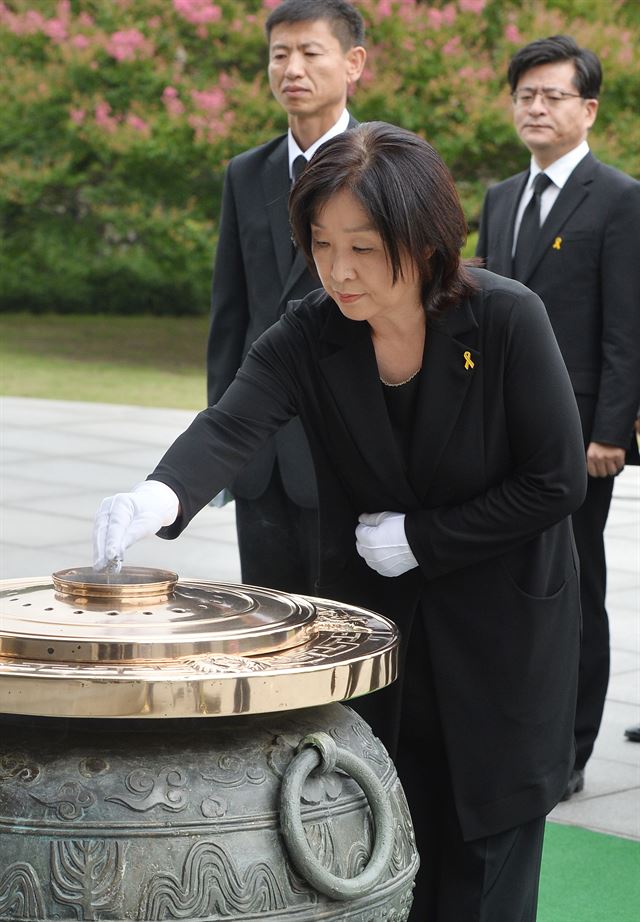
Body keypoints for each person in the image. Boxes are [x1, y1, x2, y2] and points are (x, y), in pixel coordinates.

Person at [94, 123, 586, 921]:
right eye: (321, 244)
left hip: (503, 637)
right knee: (386, 837)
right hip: (387, 637)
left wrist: (421, 539)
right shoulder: (313, 329)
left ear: (423, 240)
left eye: (363, 246)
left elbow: (556, 481)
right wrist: (157, 497)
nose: (338, 269)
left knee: (486, 863)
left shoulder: (505, 320)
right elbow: (232, 423)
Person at [476, 35, 640, 798]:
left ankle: (570, 750)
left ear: (589, 109)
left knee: (574, 584)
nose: (535, 108)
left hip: (581, 437)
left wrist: (611, 429)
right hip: (497, 426)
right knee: (510, 581)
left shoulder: (619, 198)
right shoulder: (502, 197)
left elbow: (625, 328)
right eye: (525, 96)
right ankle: (512, 730)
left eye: (552, 96)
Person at [206, 0, 366, 595]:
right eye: (279, 54)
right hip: (261, 449)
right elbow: (232, 316)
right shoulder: (246, 172)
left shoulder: (385, 164)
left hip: (350, 441)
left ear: (353, 63)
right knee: (266, 617)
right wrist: (221, 441)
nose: (291, 68)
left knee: (347, 625)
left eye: (309, 52)